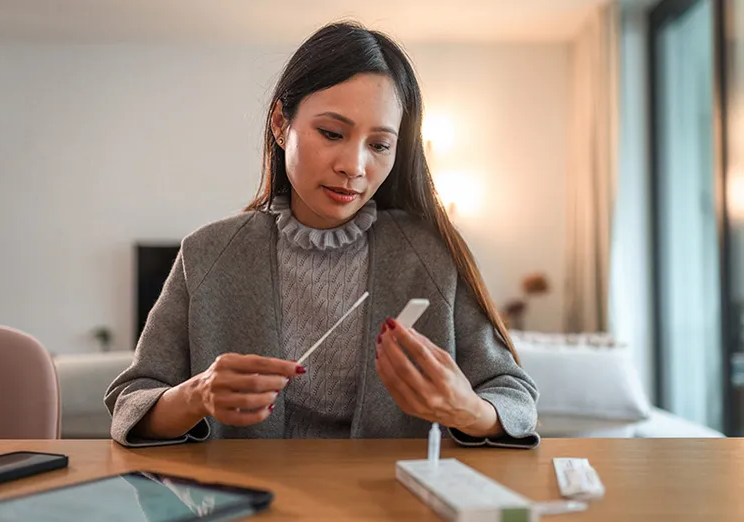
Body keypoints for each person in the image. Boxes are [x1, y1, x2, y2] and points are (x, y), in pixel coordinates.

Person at [105, 21, 540, 449]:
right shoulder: (207, 254)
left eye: (380, 145)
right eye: (332, 133)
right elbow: (132, 402)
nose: (353, 165)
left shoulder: (431, 254)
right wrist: (195, 395)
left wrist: (467, 410)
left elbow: (512, 395)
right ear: (280, 124)